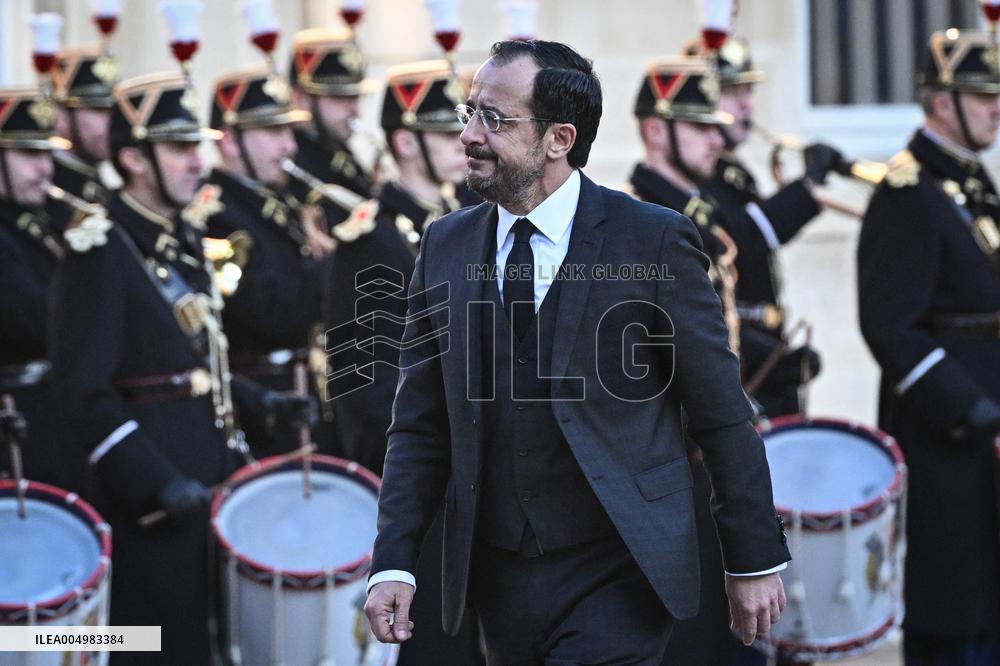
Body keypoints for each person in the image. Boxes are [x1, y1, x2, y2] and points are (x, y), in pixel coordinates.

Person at [364, 40, 789, 665]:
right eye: (469, 113)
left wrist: (753, 556)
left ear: (559, 139)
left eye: (494, 119)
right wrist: (393, 562)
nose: (470, 136)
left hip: (620, 571)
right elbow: (419, 427)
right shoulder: (445, 245)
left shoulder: (652, 239)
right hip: (498, 580)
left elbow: (720, 411)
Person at [48, 72, 312, 665]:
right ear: (133, 159)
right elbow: (81, 392)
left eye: (197, 145)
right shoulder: (100, 249)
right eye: (179, 147)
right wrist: (153, 479)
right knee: (152, 644)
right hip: (151, 501)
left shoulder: (179, 237)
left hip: (205, 482)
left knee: (208, 642)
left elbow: (189, 366)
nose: (198, 161)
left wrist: (260, 403)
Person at [323, 59, 482, 666]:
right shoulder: (372, 239)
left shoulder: (461, 225)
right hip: (423, 483)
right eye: (444, 133)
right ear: (404, 143)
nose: (464, 141)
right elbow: (363, 386)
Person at [858, 28, 1000, 666]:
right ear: (943, 102)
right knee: (955, 607)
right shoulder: (908, 192)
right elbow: (889, 326)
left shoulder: (971, 183)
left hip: (986, 423)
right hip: (949, 435)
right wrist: (969, 409)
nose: (996, 108)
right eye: (983, 96)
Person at [689, 36, 829, 418]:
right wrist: (806, 188)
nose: (746, 104)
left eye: (748, 91)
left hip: (765, 350)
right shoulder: (698, 180)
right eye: (731, 92)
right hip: (740, 357)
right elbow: (744, 239)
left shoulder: (733, 174)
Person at [198, 64, 330, 454]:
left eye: (288, 132)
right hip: (263, 406)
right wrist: (338, 263)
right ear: (229, 141)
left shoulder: (273, 203)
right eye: (273, 133)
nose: (289, 146)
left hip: (305, 389)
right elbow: (270, 316)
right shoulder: (215, 215)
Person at [0, 87, 75, 490]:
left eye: (48, 154)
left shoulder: (44, 220)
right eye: (29, 154)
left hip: (58, 413)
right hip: (17, 418)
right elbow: (35, 322)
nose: (46, 168)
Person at [289, 28, 376, 227]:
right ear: (301, 98)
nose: (355, 110)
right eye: (340, 98)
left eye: (356, 97)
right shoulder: (295, 162)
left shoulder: (338, 151)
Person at [48, 44, 114, 213]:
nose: (111, 122)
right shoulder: (46, 189)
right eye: (98, 110)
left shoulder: (103, 184)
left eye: (114, 111)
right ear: (60, 114)